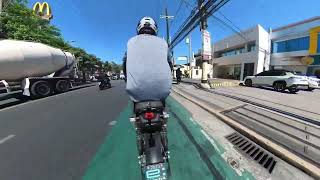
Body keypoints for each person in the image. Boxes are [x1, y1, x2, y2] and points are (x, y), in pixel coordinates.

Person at [123, 17, 172, 106]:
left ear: (139, 28)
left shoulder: (131, 41)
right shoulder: (163, 43)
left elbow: (124, 63)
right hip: (163, 90)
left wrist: (127, 79)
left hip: (135, 91)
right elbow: (170, 64)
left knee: (135, 108)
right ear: (155, 28)